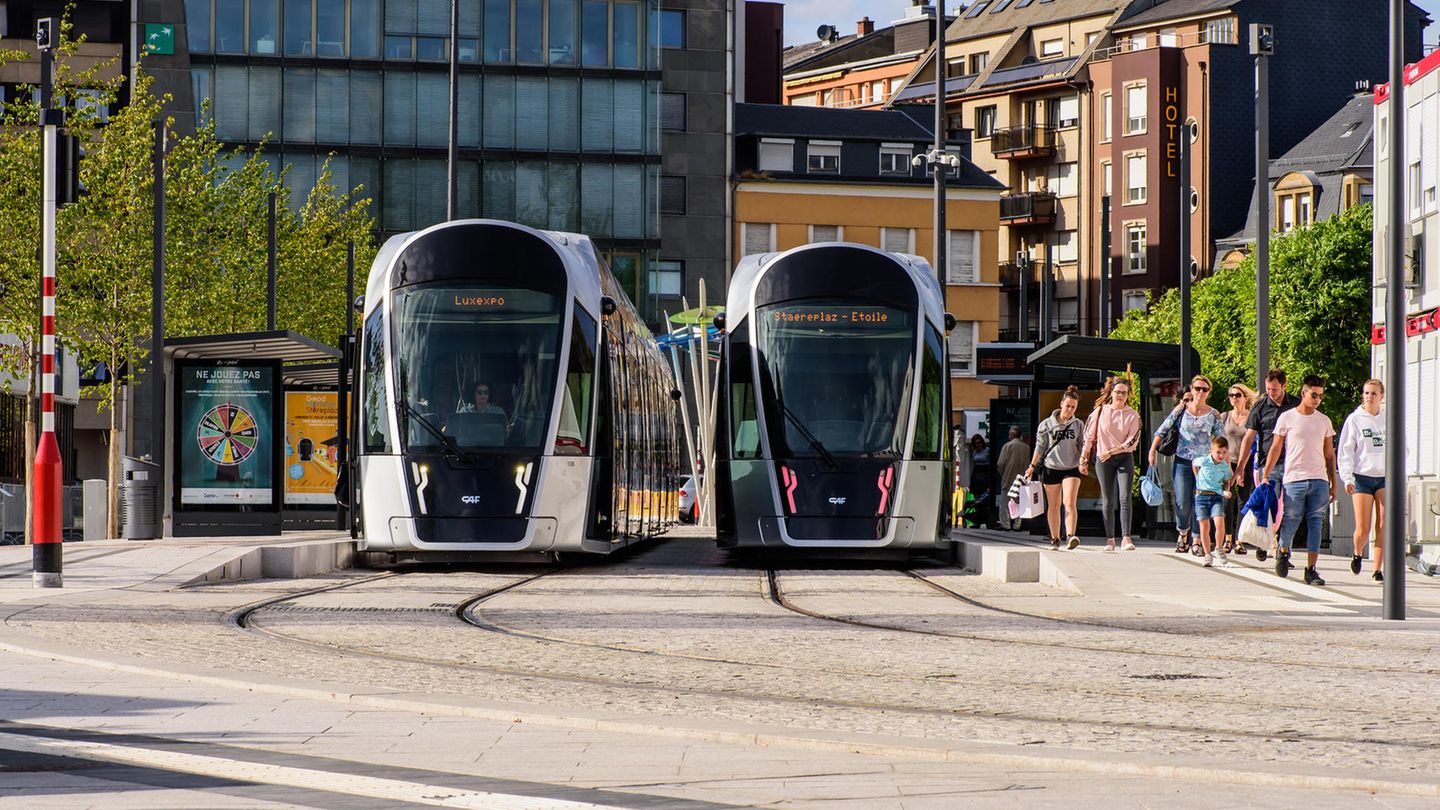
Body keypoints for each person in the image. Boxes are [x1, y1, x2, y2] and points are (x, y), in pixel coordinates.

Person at [1261, 375, 1337, 586]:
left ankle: (1311, 569)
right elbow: (1275, 448)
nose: (1317, 399)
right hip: (1294, 478)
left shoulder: (1324, 421)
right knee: (1291, 518)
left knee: (1316, 523)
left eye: (1320, 396)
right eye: (1314, 395)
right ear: (1303, 393)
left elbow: (1330, 454)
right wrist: (1266, 474)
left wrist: (1333, 482)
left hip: (1319, 479)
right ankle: (1283, 551)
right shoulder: (1287, 417)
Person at [1149, 375, 1224, 554]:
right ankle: (1183, 533)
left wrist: (1224, 466)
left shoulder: (1214, 414)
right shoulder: (1181, 410)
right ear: (1191, 389)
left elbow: (1221, 441)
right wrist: (1152, 450)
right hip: (1183, 462)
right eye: (1197, 388)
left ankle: (1197, 541)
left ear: (1208, 393)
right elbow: (1162, 430)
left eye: (1204, 389)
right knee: (1183, 502)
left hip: (1205, 465)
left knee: (1201, 501)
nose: (1200, 392)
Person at [1080, 376, 1141, 551]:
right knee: (1107, 499)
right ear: (1111, 393)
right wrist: (1083, 458)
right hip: (1103, 459)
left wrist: (1111, 452)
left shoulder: (1132, 414)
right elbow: (1089, 437)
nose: (1121, 396)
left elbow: (1132, 442)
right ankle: (1110, 539)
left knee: (1125, 497)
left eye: (1124, 393)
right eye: (1118, 392)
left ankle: (1126, 538)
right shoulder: (1099, 412)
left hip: (1123, 457)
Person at [1337, 379, 1387, 581]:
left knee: (1383, 524)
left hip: (1384, 477)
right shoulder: (1355, 419)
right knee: (1363, 527)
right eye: (1366, 393)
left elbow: (1402, 446)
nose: (1369, 397)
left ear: (1381, 397)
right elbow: (1346, 450)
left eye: (1374, 393)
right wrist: (1347, 477)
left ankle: (1377, 569)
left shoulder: (1388, 418)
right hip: (1362, 478)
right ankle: (1358, 553)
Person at [1025, 386, 1086, 550]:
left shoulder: (1078, 424)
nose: (1070, 409)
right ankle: (1055, 538)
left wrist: (1083, 460)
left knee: (1069, 502)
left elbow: (1083, 444)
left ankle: (1071, 536)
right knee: (1053, 505)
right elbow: (1040, 446)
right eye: (1068, 406)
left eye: (1074, 407)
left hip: (1071, 467)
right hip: (1051, 467)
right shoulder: (1046, 424)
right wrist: (1032, 466)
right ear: (1061, 404)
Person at [1221, 383, 1257, 555]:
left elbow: (1252, 443)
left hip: (1247, 463)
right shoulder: (1224, 417)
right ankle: (1228, 538)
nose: (1234, 398)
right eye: (1231, 395)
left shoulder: (1251, 418)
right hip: (1227, 462)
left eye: (1237, 395)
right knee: (1227, 501)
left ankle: (1239, 540)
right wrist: (1229, 467)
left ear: (1245, 397)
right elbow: (1219, 442)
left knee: (1244, 501)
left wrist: (1242, 466)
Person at [1193, 436, 1234, 567]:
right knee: (1204, 526)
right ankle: (1207, 554)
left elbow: (1228, 480)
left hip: (1216, 496)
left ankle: (1218, 548)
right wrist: (1197, 478)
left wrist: (1227, 490)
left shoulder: (1225, 466)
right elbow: (1194, 463)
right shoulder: (1204, 461)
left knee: (1219, 521)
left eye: (1224, 452)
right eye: (1218, 452)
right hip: (1202, 496)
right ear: (1211, 451)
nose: (1221, 455)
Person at [996, 427, 1031, 530]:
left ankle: (1005, 524)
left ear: (1011, 435)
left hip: (1008, 477)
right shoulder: (1027, 447)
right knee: (1019, 501)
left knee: (1005, 502)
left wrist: (1003, 474)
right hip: (1022, 478)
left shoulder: (1007, 446)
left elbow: (1000, 463)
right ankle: (1017, 524)